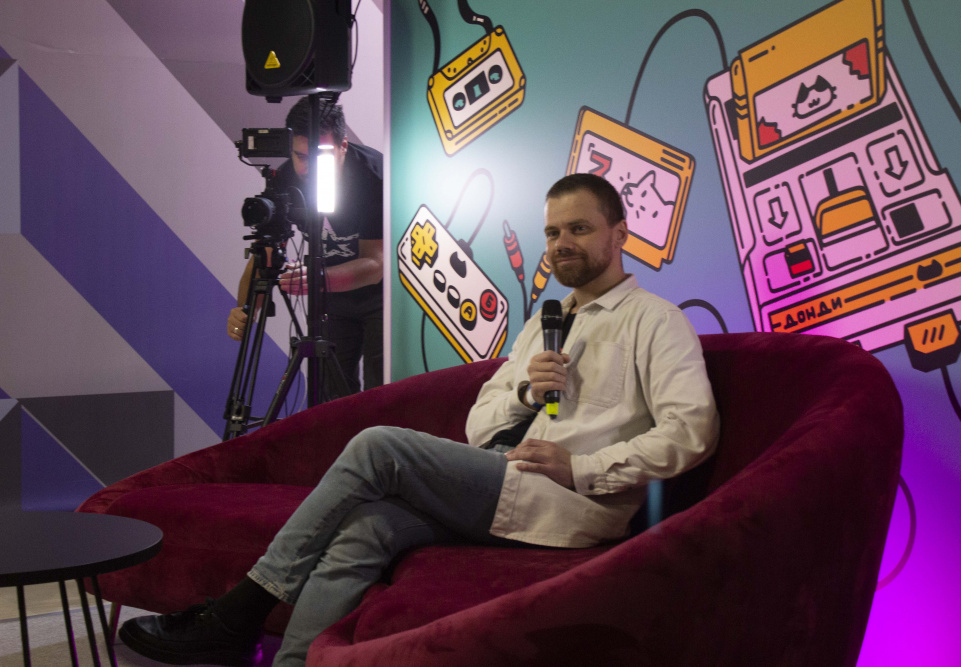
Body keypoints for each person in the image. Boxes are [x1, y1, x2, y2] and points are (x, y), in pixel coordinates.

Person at [121, 173, 720, 667]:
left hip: (569, 505)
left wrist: (580, 466)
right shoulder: (544, 324)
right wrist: (524, 394)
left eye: (579, 229)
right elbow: (480, 425)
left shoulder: (655, 321)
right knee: (366, 527)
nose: (562, 243)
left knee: (378, 446)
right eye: (553, 232)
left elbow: (692, 432)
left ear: (620, 234)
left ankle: (238, 612)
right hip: (500, 477)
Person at [227, 97, 384, 395]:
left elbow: (377, 264)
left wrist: (317, 279)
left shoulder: (374, 175)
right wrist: (244, 310)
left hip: (383, 297)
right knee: (332, 399)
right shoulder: (286, 179)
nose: (310, 167)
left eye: (321, 155)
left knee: (382, 395)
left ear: (343, 146)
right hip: (330, 296)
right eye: (301, 156)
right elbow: (265, 255)